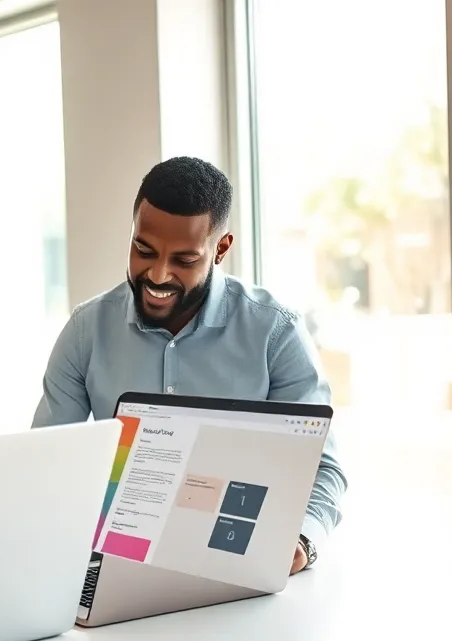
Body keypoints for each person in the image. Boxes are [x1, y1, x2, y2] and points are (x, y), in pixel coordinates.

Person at [31, 156, 346, 574]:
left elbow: (321, 466)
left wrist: (302, 539)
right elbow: (48, 460)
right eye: (143, 250)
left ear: (221, 249)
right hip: (117, 560)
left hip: (234, 560)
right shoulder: (87, 331)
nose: (158, 275)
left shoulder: (275, 334)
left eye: (184, 260)